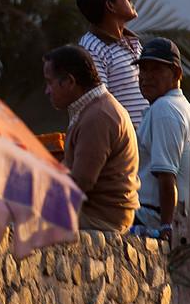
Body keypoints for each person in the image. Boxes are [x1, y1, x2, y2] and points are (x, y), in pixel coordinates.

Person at [44, 44, 137, 233]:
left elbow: (80, 183)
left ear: (69, 82)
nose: (47, 91)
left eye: (50, 82)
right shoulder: (92, 109)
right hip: (99, 213)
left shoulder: (98, 116)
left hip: (100, 218)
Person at [132, 38, 190, 238]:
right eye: (143, 70)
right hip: (179, 218)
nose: (146, 77)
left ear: (176, 74)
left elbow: (166, 176)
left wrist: (165, 228)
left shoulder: (164, 109)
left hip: (153, 216)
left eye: (155, 70)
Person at [75, 0, 147, 124]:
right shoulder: (91, 48)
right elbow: (99, 108)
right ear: (110, 6)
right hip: (126, 146)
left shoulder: (133, 43)